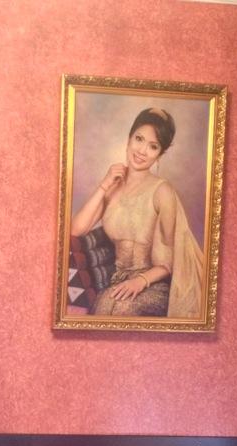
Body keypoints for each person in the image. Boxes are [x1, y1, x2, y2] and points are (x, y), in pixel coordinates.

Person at [71, 107, 203, 318]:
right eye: (139, 139)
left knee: (121, 309)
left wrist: (140, 281)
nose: (142, 151)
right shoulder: (113, 186)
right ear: (129, 139)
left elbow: (169, 262)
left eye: (153, 146)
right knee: (105, 309)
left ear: (160, 154)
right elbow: (76, 230)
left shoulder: (162, 192)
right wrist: (104, 185)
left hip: (154, 285)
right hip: (118, 284)